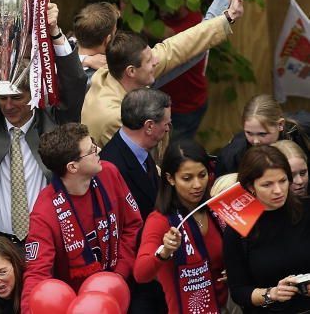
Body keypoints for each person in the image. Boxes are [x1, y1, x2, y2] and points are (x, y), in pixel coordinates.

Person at [0, 2, 87, 264]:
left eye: (17, 98)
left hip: (48, 242)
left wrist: (54, 33)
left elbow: (74, 86)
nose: (8, 105)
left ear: (34, 94)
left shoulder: (53, 119)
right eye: (3, 97)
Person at [81, 0, 247, 147]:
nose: (157, 61)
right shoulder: (112, 116)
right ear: (131, 71)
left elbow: (183, 47)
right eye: (149, 60)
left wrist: (225, 8)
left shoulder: (118, 68)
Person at [21, 123, 142, 313]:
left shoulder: (109, 173)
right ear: (73, 166)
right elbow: (37, 272)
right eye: (91, 150)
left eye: (93, 144)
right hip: (74, 305)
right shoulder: (45, 211)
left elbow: (133, 225)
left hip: (118, 290)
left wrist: (117, 275)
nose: (99, 150)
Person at [153, 0, 244, 142]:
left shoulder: (193, 21)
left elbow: (183, 41)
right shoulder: (160, 18)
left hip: (186, 106)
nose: (163, 7)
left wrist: (224, 1)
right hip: (163, 104)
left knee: (175, 153)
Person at [98, 88, 171, 313]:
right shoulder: (112, 166)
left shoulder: (139, 151)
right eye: (166, 122)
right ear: (149, 126)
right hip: (134, 278)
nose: (168, 127)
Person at [133, 140, 228, 313]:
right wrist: (164, 252)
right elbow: (140, 274)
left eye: (202, 175)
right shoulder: (160, 220)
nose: (197, 185)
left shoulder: (215, 211)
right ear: (170, 178)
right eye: (187, 178)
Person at [223, 145, 310, 312]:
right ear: (250, 186)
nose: (278, 190)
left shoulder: (306, 210)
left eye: (283, 181)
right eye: (267, 184)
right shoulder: (238, 228)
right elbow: (239, 291)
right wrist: (272, 294)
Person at [216, 94, 310, 176]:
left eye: (262, 134)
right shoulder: (232, 156)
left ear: (280, 125)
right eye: (249, 133)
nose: (255, 141)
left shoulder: (302, 130)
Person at [72, 2, 120, 85]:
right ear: (107, 40)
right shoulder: (106, 80)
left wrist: (83, 60)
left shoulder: (60, 50)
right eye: (114, 32)